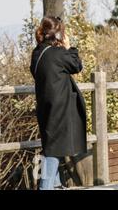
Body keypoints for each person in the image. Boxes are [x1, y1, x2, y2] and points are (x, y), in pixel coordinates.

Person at [30, 16, 87, 190]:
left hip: (45, 109)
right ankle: (46, 186)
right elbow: (77, 65)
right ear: (58, 34)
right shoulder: (59, 54)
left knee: (52, 148)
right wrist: (69, 47)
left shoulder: (37, 53)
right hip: (60, 110)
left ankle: (55, 185)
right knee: (52, 154)